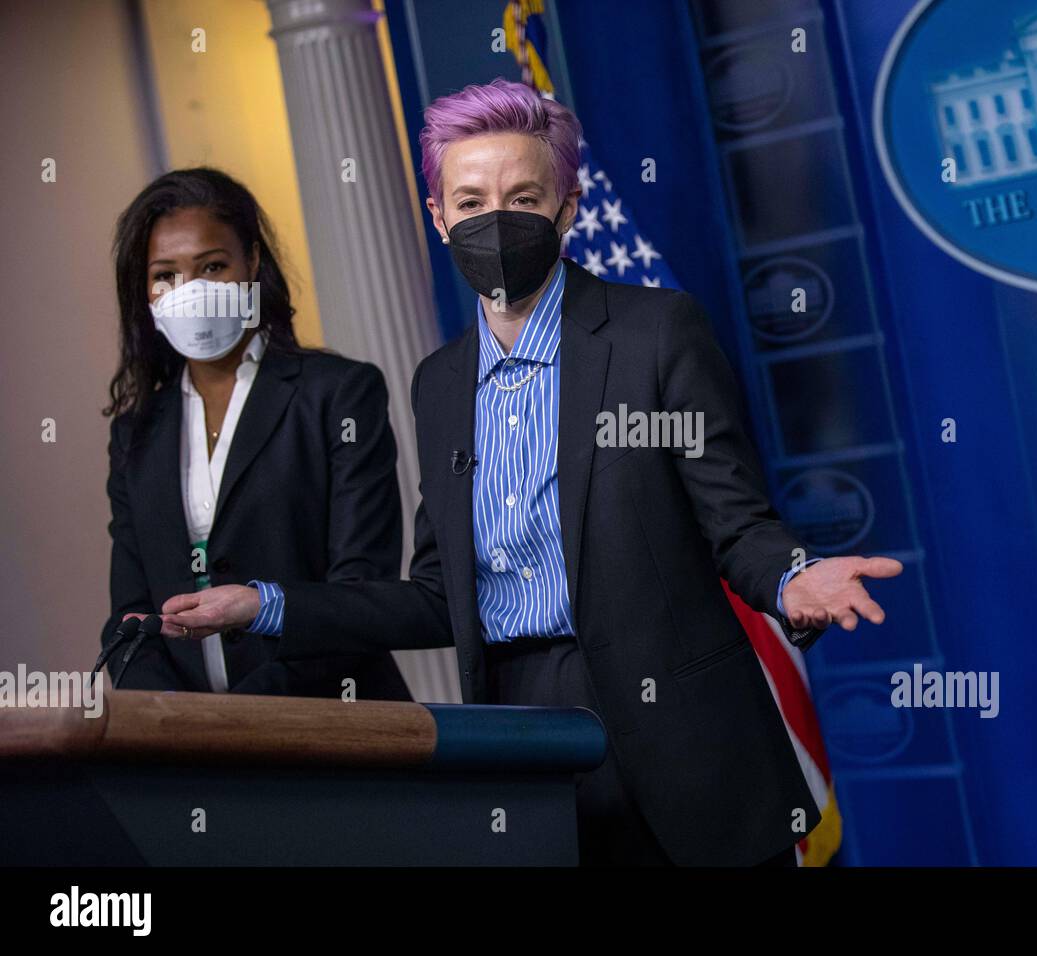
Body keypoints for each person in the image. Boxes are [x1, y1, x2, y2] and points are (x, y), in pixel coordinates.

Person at [155, 80, 903, 864]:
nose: (495, 220)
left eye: (522, 196)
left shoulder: (655, 334)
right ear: (438, 217)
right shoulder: (437, 382)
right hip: (524, 742)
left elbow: (737, 524)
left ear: (566, 208)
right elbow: (438, 595)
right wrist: (265, 605)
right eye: (470, 201)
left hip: (686, 746)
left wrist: (793, 580)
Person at [101, 167, 409, 701]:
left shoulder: (337, 394)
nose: (189, 292)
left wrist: (250, 718)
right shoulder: (137, 432)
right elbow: (130, 618)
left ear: (253, 265)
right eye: (165, 275)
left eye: (212, 266)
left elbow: (360, 594)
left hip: (340, 733)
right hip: (192, 762)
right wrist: (174, 720)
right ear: (145, 293)